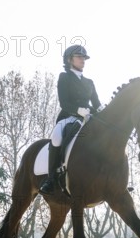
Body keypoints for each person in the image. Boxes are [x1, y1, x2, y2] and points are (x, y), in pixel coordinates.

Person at [39, 45, 102, 195]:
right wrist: (78, 110)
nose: (83, 60)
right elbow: (64, 102)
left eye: (84, 58)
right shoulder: (64, 77)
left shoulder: (89, 82)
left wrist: (103, 110)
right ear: (69, 59)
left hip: (87, 118)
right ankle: (51, 178)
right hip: (69, 117)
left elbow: (97, 104)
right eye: (79, 57)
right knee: (56, 138)